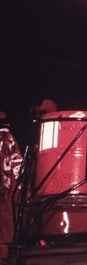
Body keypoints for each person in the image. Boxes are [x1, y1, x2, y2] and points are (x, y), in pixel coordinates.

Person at [0, 110, 23, 261]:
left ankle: (4, 252)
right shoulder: (8, 136)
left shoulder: (4, 137)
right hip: (10, 183)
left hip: (5, 184)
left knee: (5, 217)